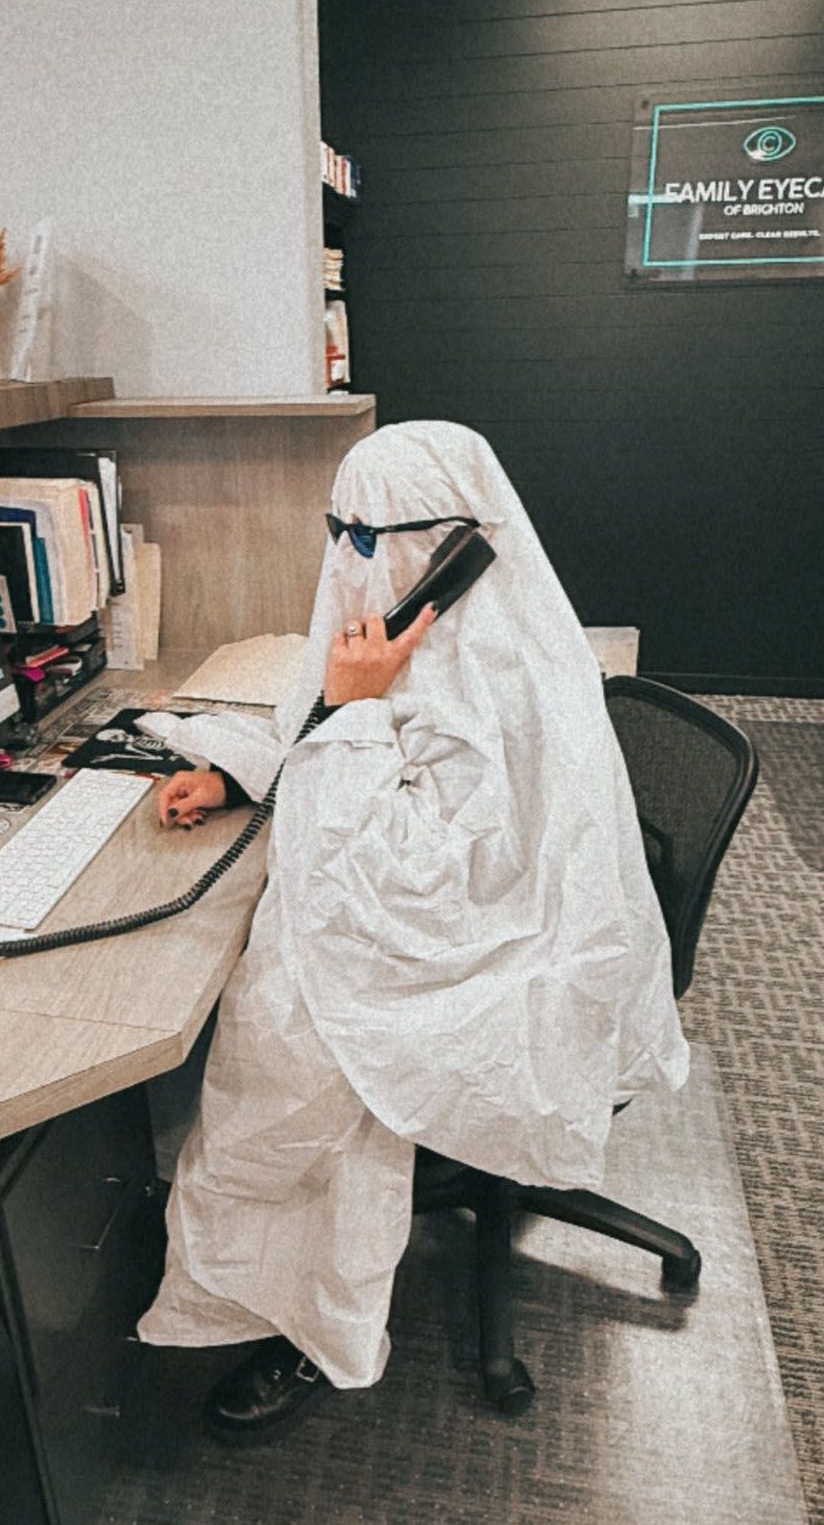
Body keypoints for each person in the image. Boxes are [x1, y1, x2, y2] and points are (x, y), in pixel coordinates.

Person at [136, 421, 689, 1444]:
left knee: (295, 1051)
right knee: (274, 1012)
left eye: (369, 537)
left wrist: (355, 711)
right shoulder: (402, 627)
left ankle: (310, 1322)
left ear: (456, 544)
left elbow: (414, 883)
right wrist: (237, 772)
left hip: (483, 967)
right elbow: (327, 733)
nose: (348, 559)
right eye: (337, 531)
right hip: (428, 936)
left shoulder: (506, 673)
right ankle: (253, 1265)